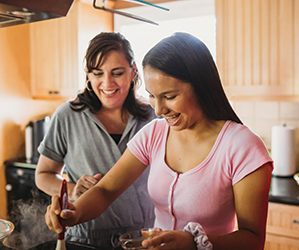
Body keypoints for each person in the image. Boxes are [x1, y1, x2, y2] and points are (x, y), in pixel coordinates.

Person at [45, 32, 273, 250]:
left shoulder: (243, 146)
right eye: (152, 96)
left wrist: (195, 244)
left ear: (202, 86)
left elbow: (253, 240)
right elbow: (106, 190)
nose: (159, 109)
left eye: (170, 97)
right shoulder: (154, 133)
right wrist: (74, 212)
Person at [35, 32, 157, 248]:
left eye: (117, 73)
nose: (107, 83)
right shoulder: (67, 116)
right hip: (84, 239)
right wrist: (72, 189)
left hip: (144, 239)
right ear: (88, 76)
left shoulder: (154, 117)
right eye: (97, 73)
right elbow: (43, 174)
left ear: (133, 71)